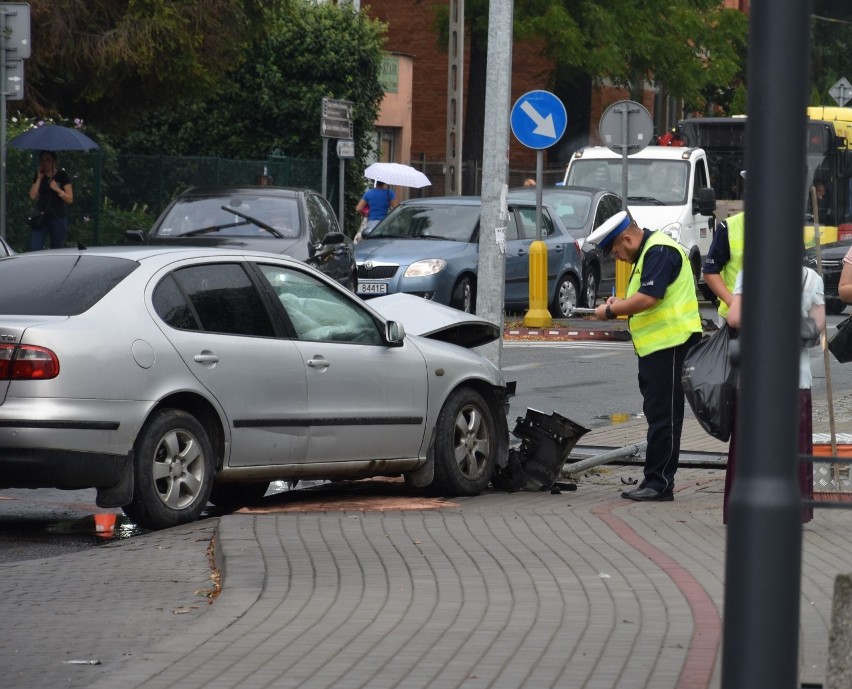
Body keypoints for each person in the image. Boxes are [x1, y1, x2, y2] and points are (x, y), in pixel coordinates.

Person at [589, 210, 703, 501]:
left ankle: (660, 484)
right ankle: (655, 480)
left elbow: (650, 298)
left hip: (672, 345)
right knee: (658, 415)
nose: (618, 258)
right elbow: (644, 297)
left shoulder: (659, 250)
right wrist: (621, 302)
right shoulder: (649, 252)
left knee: (665, 416)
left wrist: (612, 310)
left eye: (616, 251)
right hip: (658, 349)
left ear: (627, 238)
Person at [723, 267, 824, 523]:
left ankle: (745, 510)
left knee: (749, 445)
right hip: (796, 377)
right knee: (795, 446)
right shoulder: (812, 278)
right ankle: (794, 510)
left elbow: (734, 318)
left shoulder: (750, 273)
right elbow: (817, 326)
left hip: (754, 377)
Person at [702, 170, 747, 324]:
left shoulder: (786, 230)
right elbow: (710, 272)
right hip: (734, 318)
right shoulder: (728, 228)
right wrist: (732, 302)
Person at [28, 150, 73, 251]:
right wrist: (39, 178)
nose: (45, 163)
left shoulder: (62, 175)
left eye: (48, 160)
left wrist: (57, 189)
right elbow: (32, 196)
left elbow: (69, 199)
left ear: (54, 161)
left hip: (57, 217)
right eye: (42, 160)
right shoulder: (39, 175)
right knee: (35, 247)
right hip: (40, 217)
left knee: (57, 249)